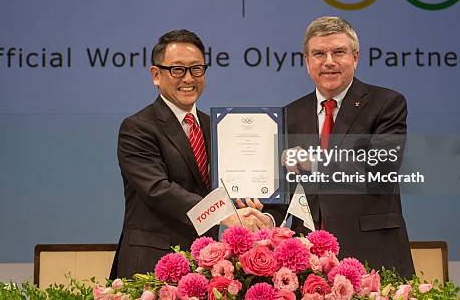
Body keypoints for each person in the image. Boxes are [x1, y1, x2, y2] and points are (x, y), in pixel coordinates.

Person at [109, 29, 271, 279]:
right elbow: (158, 190)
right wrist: (227, 214)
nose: (188, 78)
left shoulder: (217, 127)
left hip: (205, 263)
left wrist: (247, 202)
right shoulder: (138, 127)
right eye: (177, 69)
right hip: (152, 265)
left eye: (196, 68)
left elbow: (228, 184)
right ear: (156, 75)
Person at [285, 16, 415, 277]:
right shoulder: (290, 113)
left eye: (339, 52)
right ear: (307, 62)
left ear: (355, 58)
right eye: (319, 54)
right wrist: (264, 213)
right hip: (309, 262)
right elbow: (286, 184)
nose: (329, 61)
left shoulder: (386, 103)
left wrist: (315, 162)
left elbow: (382, 164)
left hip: (373, 253)